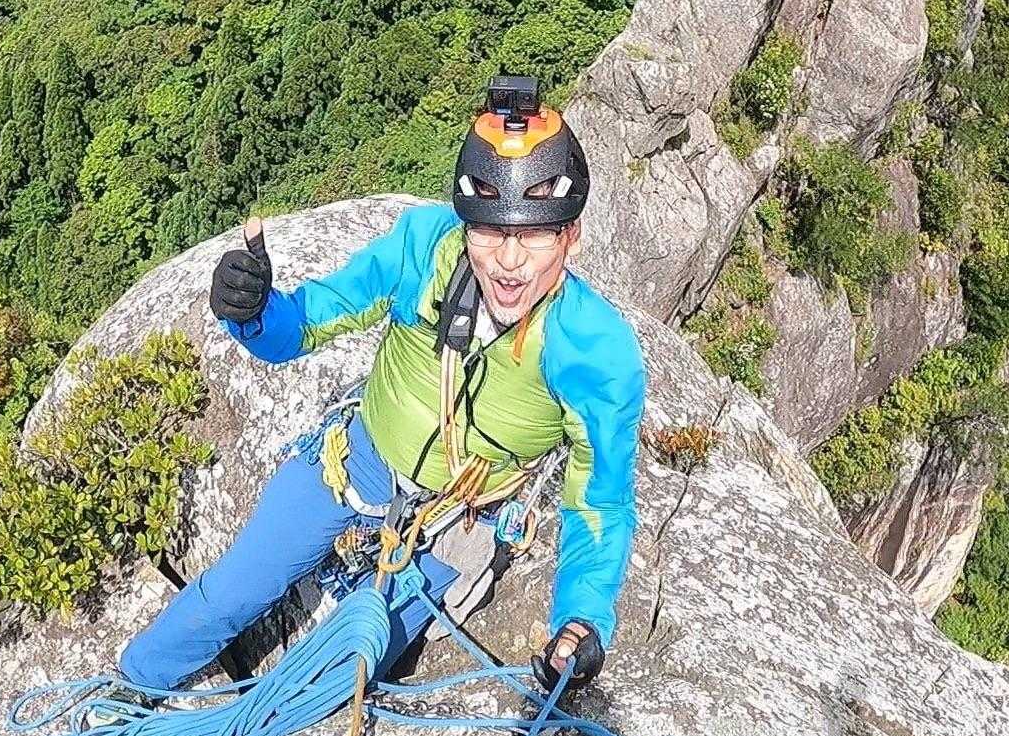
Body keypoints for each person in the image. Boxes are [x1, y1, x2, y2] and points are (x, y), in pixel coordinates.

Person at [117, 75, 646, 699]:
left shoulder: (596, 354)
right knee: (233, 590)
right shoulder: (422, 251)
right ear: (464, 225)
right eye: (488, 231)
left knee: (338, 677)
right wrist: (253, 312)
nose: (509, 261)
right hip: (356, 461)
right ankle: (130, 685)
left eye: (533, 234)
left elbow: (599, 503)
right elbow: (307, 322)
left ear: (570, 234)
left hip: (454, 519)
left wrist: (581, 618)